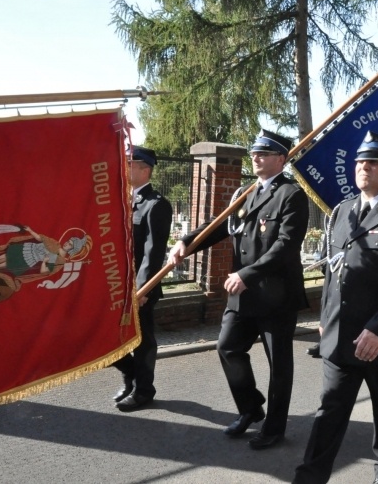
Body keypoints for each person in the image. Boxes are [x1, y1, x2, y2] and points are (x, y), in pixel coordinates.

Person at [293, 131, 378, 484]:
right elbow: (333, 269)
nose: (363, 166)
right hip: (341, 336)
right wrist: (325, 319)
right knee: (329, 413)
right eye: (359, 161)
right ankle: (309, 478)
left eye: (374, 161)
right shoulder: (342, 211)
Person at [170, 130, 309, 450]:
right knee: (228, 347)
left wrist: (248, 273)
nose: (256, 157)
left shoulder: (292, 195)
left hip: (275, 295)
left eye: (264, 153)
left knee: (279, 365)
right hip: (243, 294)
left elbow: (286, 246)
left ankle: (274, 428)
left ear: (281, 159)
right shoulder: (245, 194)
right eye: (254, 153)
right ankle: (250, 408)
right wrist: (186, 242)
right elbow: (218, 225)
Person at [112, 146, 173, 411]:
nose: (124, 167)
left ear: (144, 169)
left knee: (143, 340)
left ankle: (144, 390)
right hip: (115, 286)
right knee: (108, 338)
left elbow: (153, 252)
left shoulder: (156, 205)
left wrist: (143, 288)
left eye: (129, 163)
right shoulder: (118, 199)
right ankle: (131, 376)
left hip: (139, 288)